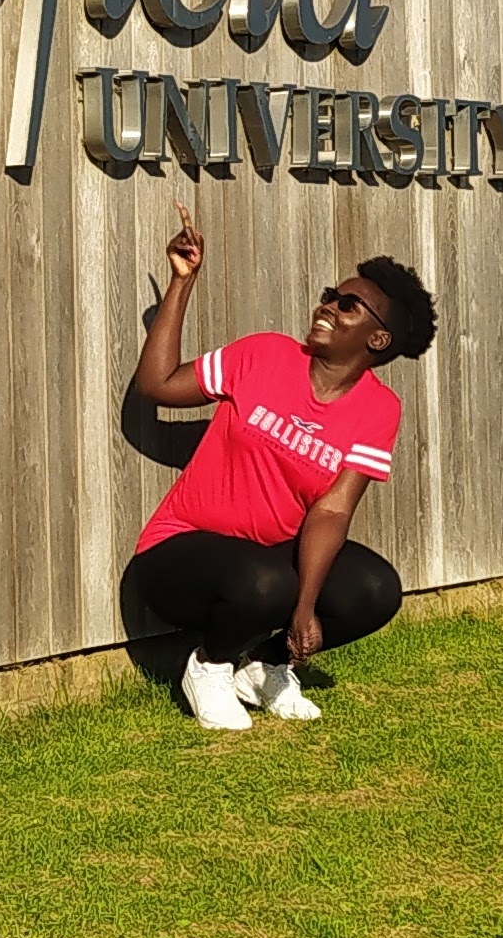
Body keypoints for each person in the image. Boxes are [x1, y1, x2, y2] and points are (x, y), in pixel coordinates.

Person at [124, 210, 436, 730]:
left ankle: (265, 667)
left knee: (375, 589)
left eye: (348, 305)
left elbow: (333, 510)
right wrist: (182, 284)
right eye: (331, 294)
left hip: (268, 568)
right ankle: (209, 667)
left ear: (377, 341)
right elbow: (157, 386)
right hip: (177, 557)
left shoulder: (379, 409)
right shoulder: (265, 354)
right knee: (268, 581)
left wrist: (305, 611)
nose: (329, 306)